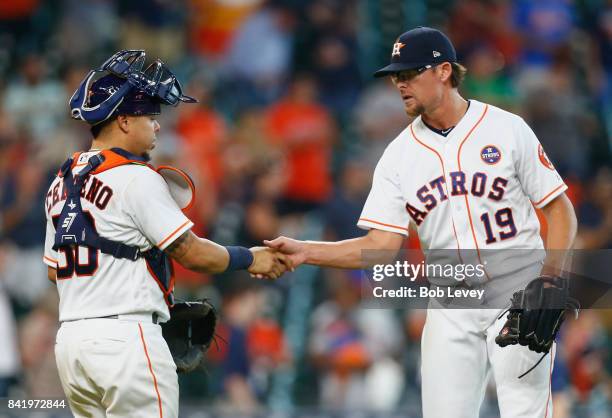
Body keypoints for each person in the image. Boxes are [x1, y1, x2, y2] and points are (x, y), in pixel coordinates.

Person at [265, 27, 577, 418]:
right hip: (450, 299)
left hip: (517, 291)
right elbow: (380, 247)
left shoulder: (506, 128)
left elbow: (559, 209)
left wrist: (550, 279)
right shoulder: (398, 156)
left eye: (410, 73)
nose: (399, 83)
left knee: (525, 412)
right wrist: (307, 250)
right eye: (396, 75)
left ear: (444, 71)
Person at [43, 50, 289, 418]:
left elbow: (54, 270)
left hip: (72, 345)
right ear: (124, 121)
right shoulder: (136, 177)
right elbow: (191, 253)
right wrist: (252, 257)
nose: (157, 125)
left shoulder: (61, 181)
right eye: (150, 116)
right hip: (126, 339)